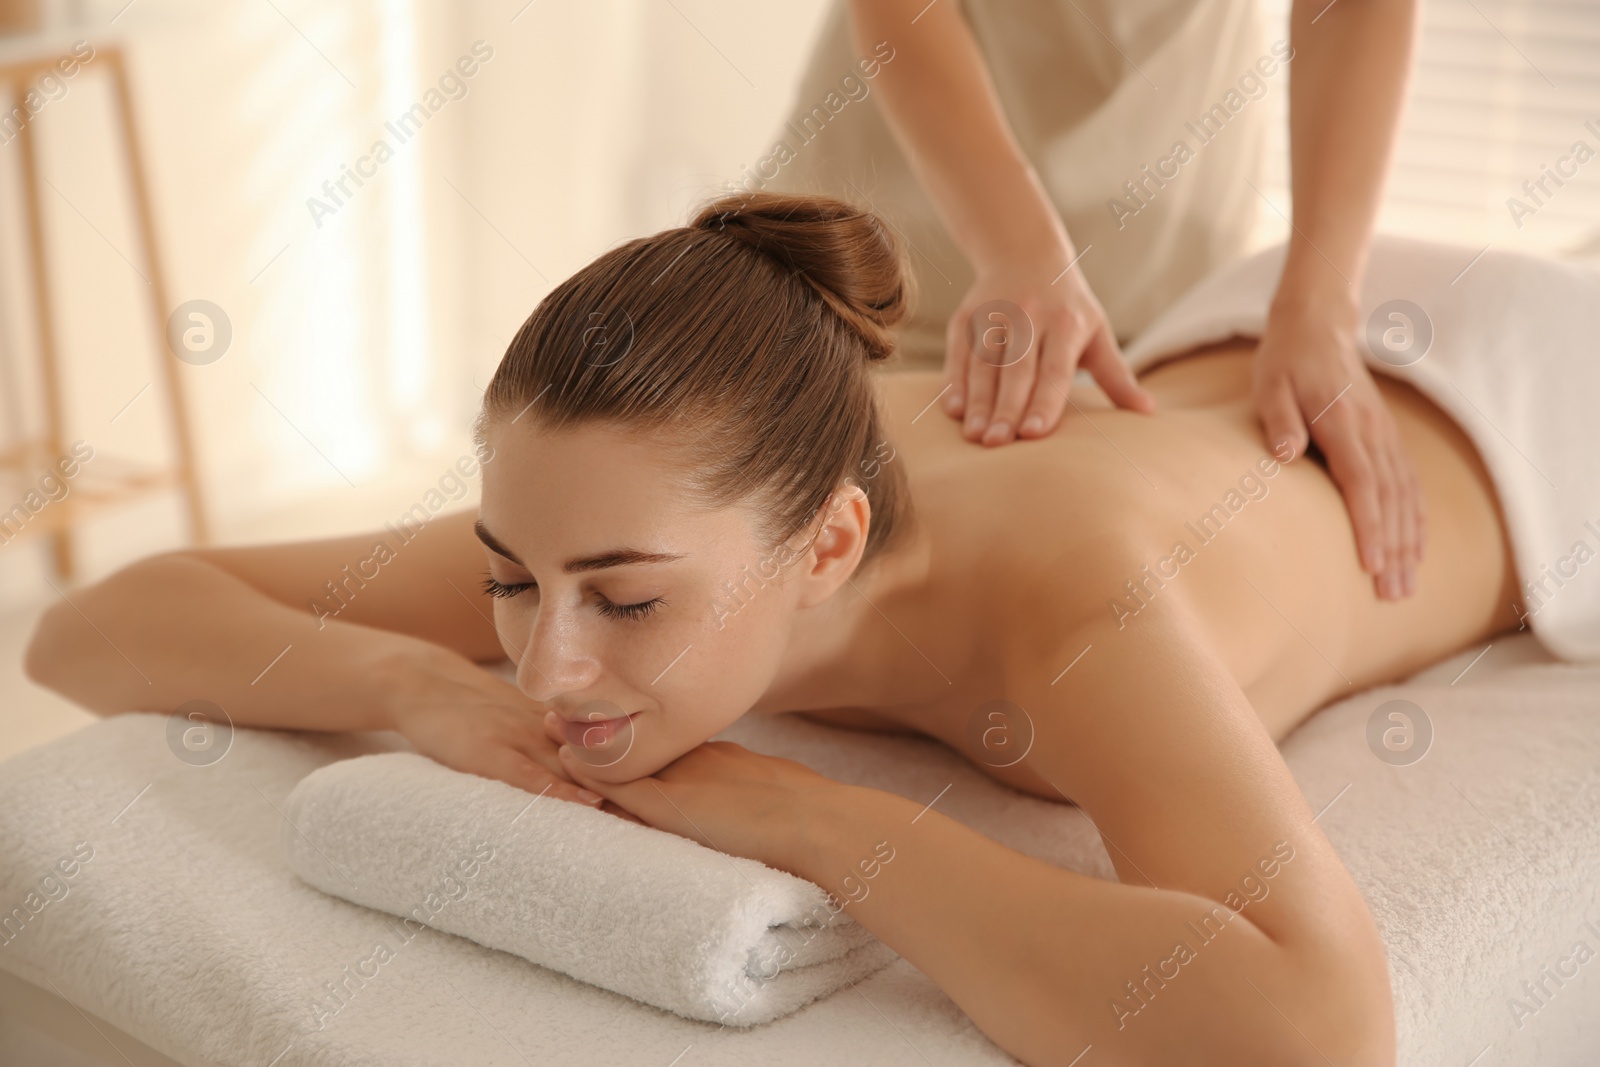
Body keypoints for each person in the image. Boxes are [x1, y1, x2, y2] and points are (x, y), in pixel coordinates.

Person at [25, 194, 1522, 1063]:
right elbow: (91, 627)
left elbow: (1318, 1026)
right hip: (1230, 332)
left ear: (833, 540)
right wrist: (411, 684)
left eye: (625, 600)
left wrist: (822, 821)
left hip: (1520, 418)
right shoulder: (673, 496)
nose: (550, 662)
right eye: (509, 579)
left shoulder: (1079, 604)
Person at [762, 0, 1426, 603]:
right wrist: (1018, 247)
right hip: (896, 223)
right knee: (795, 551)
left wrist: (1321, 302)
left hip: (1165, 245)